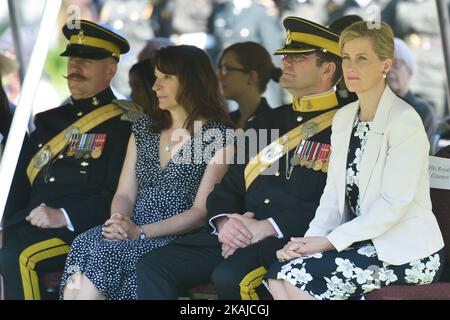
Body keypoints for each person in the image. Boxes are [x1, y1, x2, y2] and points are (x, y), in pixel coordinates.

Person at [136, 16, 347, 300]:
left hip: (289, 237)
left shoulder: (348, 126)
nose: (286, 62)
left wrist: (266, 227)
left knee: (231, 277)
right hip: (237, 235)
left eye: (298, 58)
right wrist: (225, 223)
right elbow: (230, 186)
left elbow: (342, 203)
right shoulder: (265, 123)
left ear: (328, 69)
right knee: (154, 265)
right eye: (286, 56)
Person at [267, 20, 444, 300]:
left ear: (386, 65)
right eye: (347, 58)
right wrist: (308, 241)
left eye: (362, 59)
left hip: (407, 253)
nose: (351, 67)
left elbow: (393, 205)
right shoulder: (344, 117)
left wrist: (327, 242)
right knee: (278, 274)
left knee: (294, 278)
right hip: (361, 243)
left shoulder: (404, 120)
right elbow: (333, 193)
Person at [60, 44, 234, 300]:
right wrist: (119, 221)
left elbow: (200, 212)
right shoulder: (144, 129)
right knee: (84, 243)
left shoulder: (219, 136)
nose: (155, 86)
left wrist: (140, 233)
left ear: (192, 81)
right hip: (132, 226)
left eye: (166, 77)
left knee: (106, 253)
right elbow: (125, 194)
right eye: (155, 77)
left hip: (177, 236)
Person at [0, 19, 143, 300]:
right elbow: (21, 183)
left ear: (111, 69)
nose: (75, 67)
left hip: (81, 230)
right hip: (29, 223)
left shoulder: (125, 124)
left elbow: (119, 194)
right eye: (73, 59)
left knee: (19, 256)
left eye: (87, 60)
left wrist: (63, 216)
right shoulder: (48, 121)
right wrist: (6, 224)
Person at [218, 42, 281, 129]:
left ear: (251, 76)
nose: (219, 77)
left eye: (227, 69)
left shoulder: (273, 125)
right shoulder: (225, 122)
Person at [388, 37, 436, 140]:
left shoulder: (422, 111)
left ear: (410, 71)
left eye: (396, 64)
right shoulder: (375, 105)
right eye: (386, 65)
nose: (390, 70)